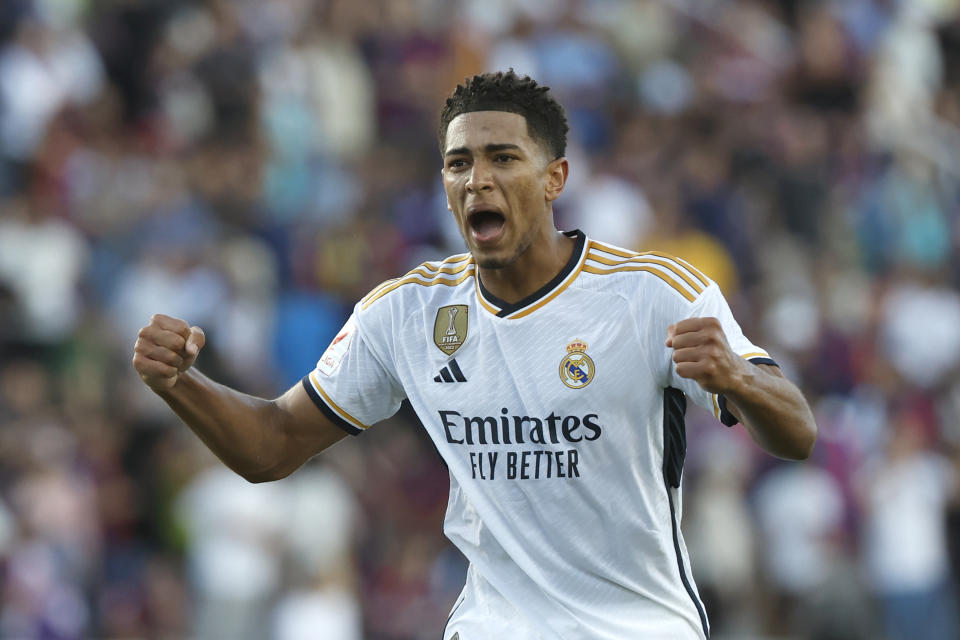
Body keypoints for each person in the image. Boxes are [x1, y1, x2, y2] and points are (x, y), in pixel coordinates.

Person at [132, 70, 817, 640]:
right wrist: (181, 384)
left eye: (502, 159)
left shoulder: (652, 295)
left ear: (554, 178)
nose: (477, 180)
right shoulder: (405, 314)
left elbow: (798, 433)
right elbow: (272, 445)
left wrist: (739, 381)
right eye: (459, 163)